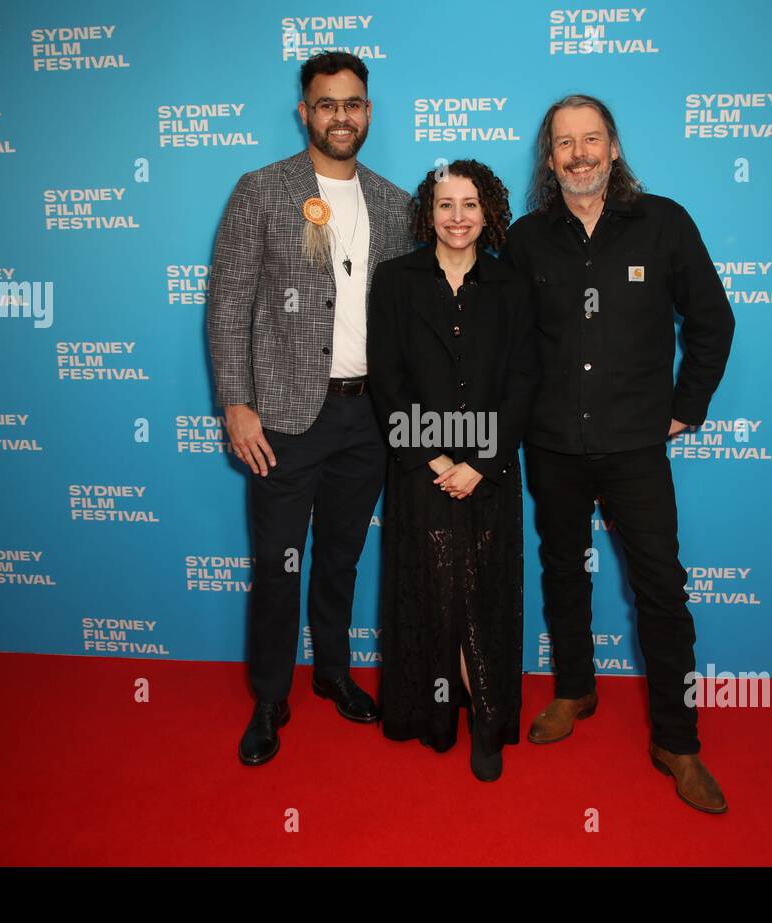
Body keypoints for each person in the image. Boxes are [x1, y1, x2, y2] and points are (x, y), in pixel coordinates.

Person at [500, 94, 735, 812]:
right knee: (563, 572)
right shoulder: (526, 237)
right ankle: (575, 689)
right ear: (549, 158)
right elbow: (505, 342)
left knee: (661, 589)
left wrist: (685, 410)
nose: (579, 153)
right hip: (553, 444)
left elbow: (712, 321)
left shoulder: (662, 222)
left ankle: (677, 739)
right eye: (565, 142)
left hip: (637, 445)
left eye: (591, 138)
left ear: (614, 147)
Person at [206, 51, 414, 766]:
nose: (341, 116)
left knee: (342, 558)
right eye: (327, 104)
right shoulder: (261, 191)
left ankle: (331, 672)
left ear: (368, 112)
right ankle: (270, 697)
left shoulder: (394, 203)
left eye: (353, 103)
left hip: (368, 418)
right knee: (277, 563)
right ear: (305, 112)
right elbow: (229, 305)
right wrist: (237, 404)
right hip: (287, 419)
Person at [367, 160, 539, 781]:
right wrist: (438, 459)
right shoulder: (395, 281)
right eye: (446, 204)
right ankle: (438, 716)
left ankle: (487, 720)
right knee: (439, 591)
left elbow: (524, 382)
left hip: (490, 469)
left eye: (470, 204)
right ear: (428, 213)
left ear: (488, 212)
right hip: (422, 466)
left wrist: (481, 463)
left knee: (484, 589)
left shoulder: (512, 287)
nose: (458, 217)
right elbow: (386, 381)